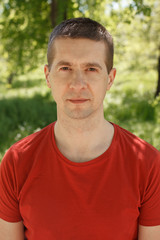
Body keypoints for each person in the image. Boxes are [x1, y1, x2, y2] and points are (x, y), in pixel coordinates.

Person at [0, 17, 160, 240]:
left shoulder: (149, 164)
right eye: (65, 67)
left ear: (110, 79)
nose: (77, 83)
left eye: (91, 69)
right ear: (48, 76)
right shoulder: (16, 162)